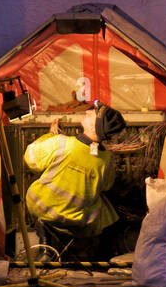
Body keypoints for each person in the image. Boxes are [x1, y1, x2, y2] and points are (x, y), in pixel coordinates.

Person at [24, 101, 127, 242]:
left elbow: (30, 159)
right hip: (77, 221)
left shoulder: (61, 143)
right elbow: (106, 186)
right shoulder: (107, 160)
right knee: (108, 209)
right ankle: (101, 253)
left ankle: (44, 235)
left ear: (93, 127)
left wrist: (50, 136)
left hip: (41, 208)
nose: (88, 111)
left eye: (93, 113)